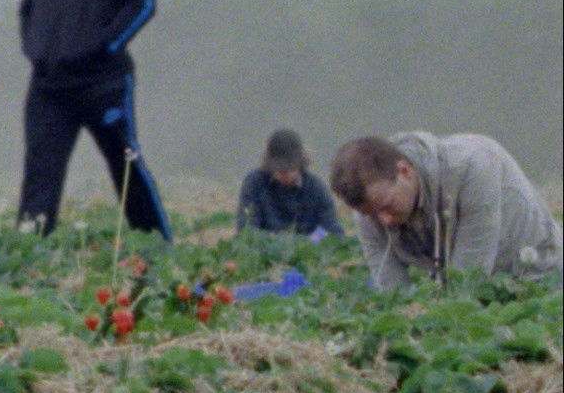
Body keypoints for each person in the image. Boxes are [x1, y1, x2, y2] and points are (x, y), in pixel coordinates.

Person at [15, 0, 170, 239]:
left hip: (103, 80)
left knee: (126, 164)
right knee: (40, 173)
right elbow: (27, 10)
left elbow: (143, 1)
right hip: (49, 84)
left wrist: (104, 48)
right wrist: (36, 50)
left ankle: (157, 246)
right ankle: (26, 258)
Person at [330, 132, 562, 290]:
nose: (385, 220)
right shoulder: (372, 206)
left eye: (387, 206)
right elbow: (391, 289)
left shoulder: (474, 167)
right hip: (482, 294)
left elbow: (470, 277)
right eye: (371, 215)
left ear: (405, 171)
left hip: (542, 277)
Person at [237, 129, 342, 238]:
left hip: (308, 251)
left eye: (290, 168)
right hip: (265, 251)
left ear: (302, 163)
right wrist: (272, 243)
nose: (285, 174)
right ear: (268, 164)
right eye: (279, 168)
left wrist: (307, 244)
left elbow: (331, 229)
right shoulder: (254, 183)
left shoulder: (315, 187)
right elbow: (246, 229)